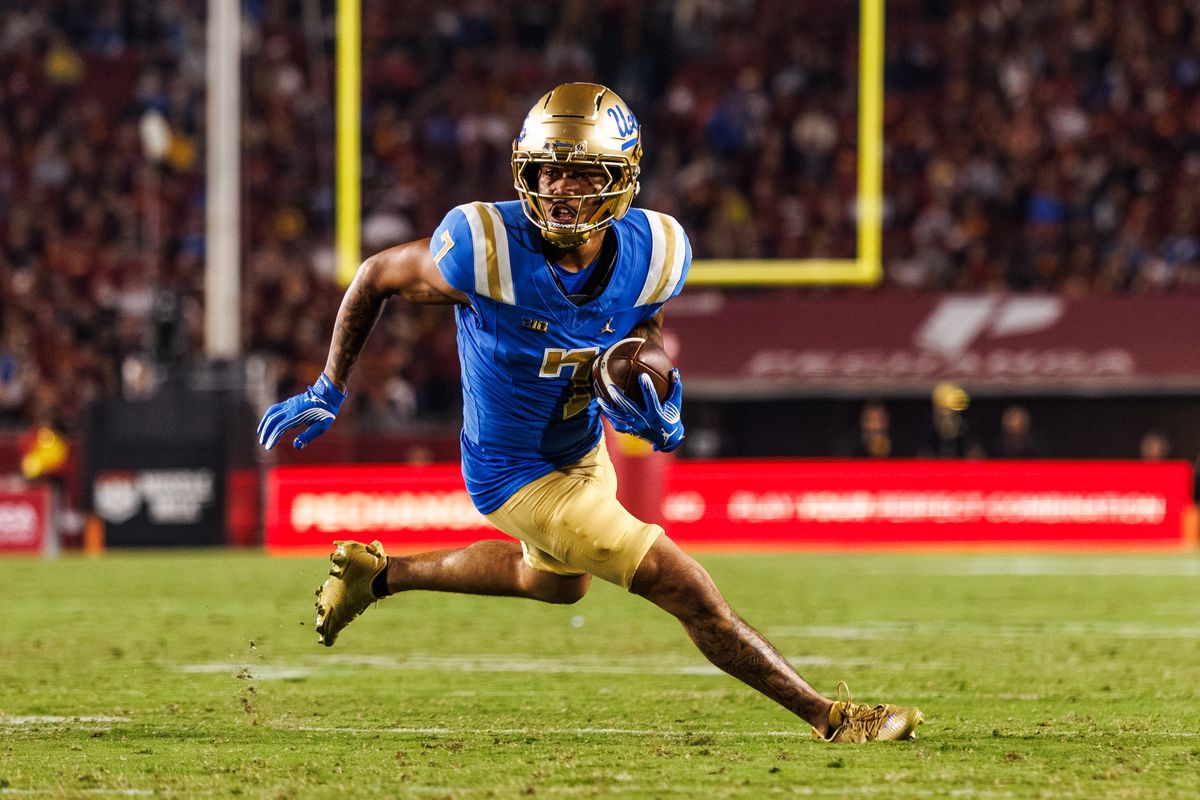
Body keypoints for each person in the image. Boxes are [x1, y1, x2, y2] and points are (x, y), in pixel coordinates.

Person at [257, 83, 922, 743]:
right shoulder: (484, 247)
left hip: (583, 448)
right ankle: (831, 719)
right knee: (680, 583)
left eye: (580, 173)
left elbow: (646, 327)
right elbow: (376, 275)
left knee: (554, 585)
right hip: (510, 470)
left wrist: (653, 386)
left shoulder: (656, 250)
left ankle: (382, 577)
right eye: (547, 170)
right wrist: (329, 384)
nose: (558, 188)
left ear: (620, 181)